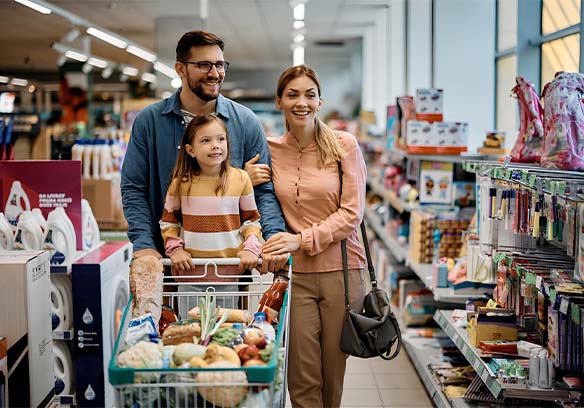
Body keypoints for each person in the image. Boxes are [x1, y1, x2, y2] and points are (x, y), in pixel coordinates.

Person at [121, 30, 288, 273]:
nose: (215, 73)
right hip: (166, 264)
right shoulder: (151, 121)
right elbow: (134, 188)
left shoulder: (244, 122)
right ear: (180, 69)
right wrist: (144, 244)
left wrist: (273, 239)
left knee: (230, 314)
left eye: (220, 64)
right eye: (203, 65)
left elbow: (263, 192)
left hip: (230, 267)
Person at [261, 65, 367, 408]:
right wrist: (243, 177)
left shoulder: (344, 145)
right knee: (301, 377)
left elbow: (352, 213)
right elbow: (252, 197)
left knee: (332, 374)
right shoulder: (270, 149)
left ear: (320, 101)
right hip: (296, 276)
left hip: (343, 274)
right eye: (292, 95)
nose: (301, 102)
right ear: (279, 101)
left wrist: (301, 240)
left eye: (309, 95)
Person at [160, 114, 261, 317]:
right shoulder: (180, 183)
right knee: (191, 333)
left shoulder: (240, 178)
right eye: (206, 140)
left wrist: (251, 248)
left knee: (227, 334)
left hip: (228, 275)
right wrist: (175, 251)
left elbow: (251, 220)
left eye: (221, 139)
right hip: (190, 277)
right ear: (190, 150)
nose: (216, 145)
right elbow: (168, 221)